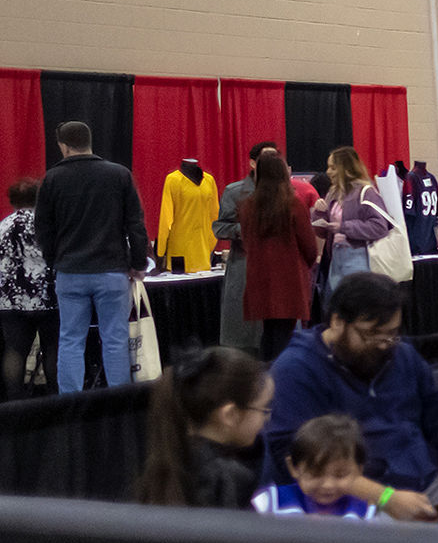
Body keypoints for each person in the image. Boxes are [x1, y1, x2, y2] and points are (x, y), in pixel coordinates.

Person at [264, 271, 438, 522]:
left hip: (430, 487)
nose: (384, 343)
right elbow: (296, 458)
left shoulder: (403, 355)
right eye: (371, 333)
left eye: (392, 333)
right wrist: (385, 498)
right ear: (337, 321)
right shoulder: (297, 369)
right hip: (351, 505)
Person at [32, 119, 149, 392]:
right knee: (115, 340)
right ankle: (118, 402)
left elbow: (43, 229)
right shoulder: (119, 174)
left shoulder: (52, 179)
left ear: (63, 146)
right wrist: (138, 263)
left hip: (70, 271)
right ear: (89, 142)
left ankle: (71, 404)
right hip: (112, 271)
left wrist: (54, 261)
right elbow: (135, 224)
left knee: (70, 340)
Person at [132, 346, 272, 509]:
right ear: (230, 415)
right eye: (264, 409)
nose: (267, 417)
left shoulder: (169, 459)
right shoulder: (228, 480)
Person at [237, 154, 319, 362]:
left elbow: (246, 242)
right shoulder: (293, 204)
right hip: (288, 278)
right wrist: (307, 266)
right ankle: (280, 377)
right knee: (284, 333)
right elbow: (309, 246)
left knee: (269, 331)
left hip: (259, 277)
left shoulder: (247, 206)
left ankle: (266, 375)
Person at [213, 142, 279, 355]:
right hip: (245, 266)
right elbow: (220, 228)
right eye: (266, 158)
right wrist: (248, 229)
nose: (271, 163)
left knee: (278, 336)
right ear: (252, 163)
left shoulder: (286, 191)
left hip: (278, 270)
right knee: (245, 339)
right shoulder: (235, 192)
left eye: (275, 158)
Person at [252, 413, 382, 519]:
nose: (328, 485)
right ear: (293, 468)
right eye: (316, 474)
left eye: (340, 475)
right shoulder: (270, 502)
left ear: (359, 470)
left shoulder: (366, 512)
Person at [0, 176, 58, 402]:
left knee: (14, 351)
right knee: (53, 349)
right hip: (49, 298)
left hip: (10, 301)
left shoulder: (3, 226)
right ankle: (56, 398)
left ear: (12, 200)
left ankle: (14, 403)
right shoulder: (49, 224)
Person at [311, 145, 395, 294]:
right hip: (335, 259)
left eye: (333, 168)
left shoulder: (367, 192)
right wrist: (319, 213)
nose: (328, 172)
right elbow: (323, 233)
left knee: (354, 301)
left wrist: (343, 227)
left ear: (346, 169)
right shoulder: (333, 194)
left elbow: (379, 227)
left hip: (359, 257)